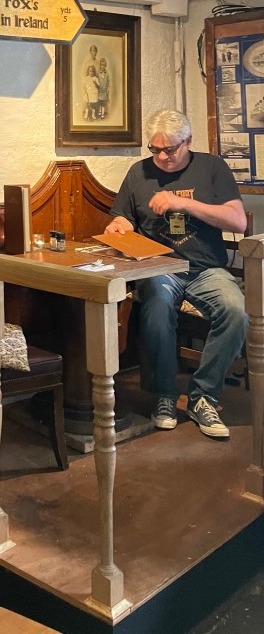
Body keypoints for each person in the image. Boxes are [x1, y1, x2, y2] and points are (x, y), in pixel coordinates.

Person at [105, 108, 248, 439]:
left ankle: (202, 397)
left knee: (236, 312)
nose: (163, 157)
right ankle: (165, 396)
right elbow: (124, 216)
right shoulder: (138, 172)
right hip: (159, 266)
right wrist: (119, 226)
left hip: (206, 268)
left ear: (189, 142)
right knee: (155, 305)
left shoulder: (212, 167)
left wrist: (182, 203)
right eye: (155, 149)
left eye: (171, 149)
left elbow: (238, 221)